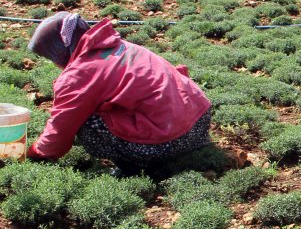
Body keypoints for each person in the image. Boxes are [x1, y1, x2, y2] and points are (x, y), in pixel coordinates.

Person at [25, 12, 212, 173]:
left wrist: (34, 152)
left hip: (168, 141)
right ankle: (176, 153)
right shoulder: (120, 46)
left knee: (86, 120)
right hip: (198, 124)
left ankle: (137, 167)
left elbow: (59, 131)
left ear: (59, 51)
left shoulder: (79, 74)